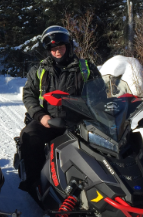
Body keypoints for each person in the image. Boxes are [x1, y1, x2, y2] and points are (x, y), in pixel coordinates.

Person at [18, 25, 101, 194]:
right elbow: (29, 95)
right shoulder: (39, 70)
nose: (57, 51)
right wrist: (41, 116)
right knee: (29, 136)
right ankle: (34, 181)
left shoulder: (86, 68)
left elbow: (99, 95)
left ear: (68, 47)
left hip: (80, 122)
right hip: (49, 121)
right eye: (53, 49)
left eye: (60, 47)